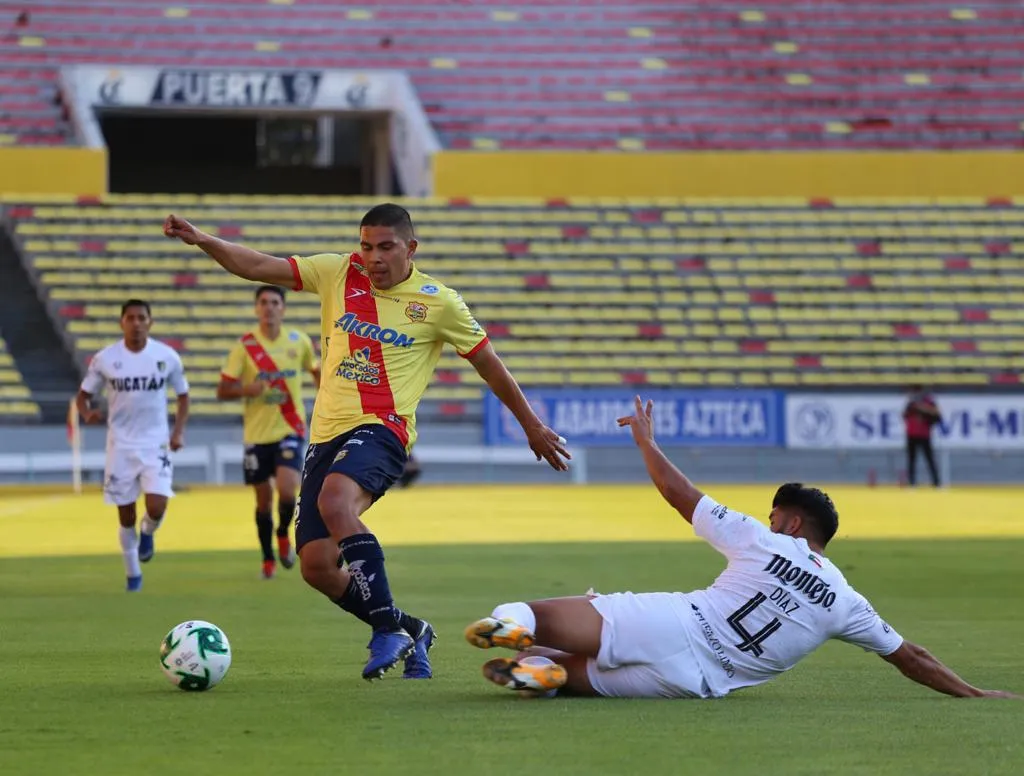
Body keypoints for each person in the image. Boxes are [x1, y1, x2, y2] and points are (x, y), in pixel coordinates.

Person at [163, 203, 570, 681]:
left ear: (410, 248)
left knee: (338, 502)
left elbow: (488, 362)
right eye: (366, 245)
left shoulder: (438, 302)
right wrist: (204, 239)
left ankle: (385, 631)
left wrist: (531, 424)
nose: (373, 257)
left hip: (384, 428)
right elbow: (256, 264)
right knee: (316, 566)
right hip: (324, 437)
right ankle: (409, 628)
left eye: (385, 247)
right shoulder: (338, 272)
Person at [463, 396, 1018, 701]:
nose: (770, 518)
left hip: (675, 624)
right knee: (573, 672)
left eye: (778, 512)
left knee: (540, 613)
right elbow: (910, 658)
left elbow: (681, 496)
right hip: (693, 682)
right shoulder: (847, 602)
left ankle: (514, 626)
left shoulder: (763, 540)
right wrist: (972, 692)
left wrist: (647, 443)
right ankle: (541, 671)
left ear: (794, 523)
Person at [75, 299, 190, 592]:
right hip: (121, 446)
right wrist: (87, 413)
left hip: (156, 444)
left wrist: (177, 432)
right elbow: (83, 395)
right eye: (131, 317)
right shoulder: (105, 359)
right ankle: (133, 575)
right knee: (124, 513)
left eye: (142, 317)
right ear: (122, 322)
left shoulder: (166, 357)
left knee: (157, 505)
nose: (136, 323)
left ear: (150, 322)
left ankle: (148, 531)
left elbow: (183, 396)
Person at [217, 285, 320, 579]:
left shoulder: (298, 341)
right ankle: (267, 557)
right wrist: (248, 389)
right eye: (263, 302)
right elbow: (223, 389)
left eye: (275, 302)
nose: (269, 307)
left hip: (290, 428)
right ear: (256, 308)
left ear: (283, 308)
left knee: (287, 492)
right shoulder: (245, 347)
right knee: (263, 501)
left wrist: (326, 388)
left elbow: (314, 371)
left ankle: (284, 533)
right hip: (257, 434)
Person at [903, 385, 942, 487]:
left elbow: (937, 416)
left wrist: (923, 411)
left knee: (929, 458)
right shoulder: (911, 404)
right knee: (912, 459)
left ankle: (936, 482)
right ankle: (911, 482)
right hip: (912, 433)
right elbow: (904, 415)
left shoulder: (929, 403)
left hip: (924, 434)